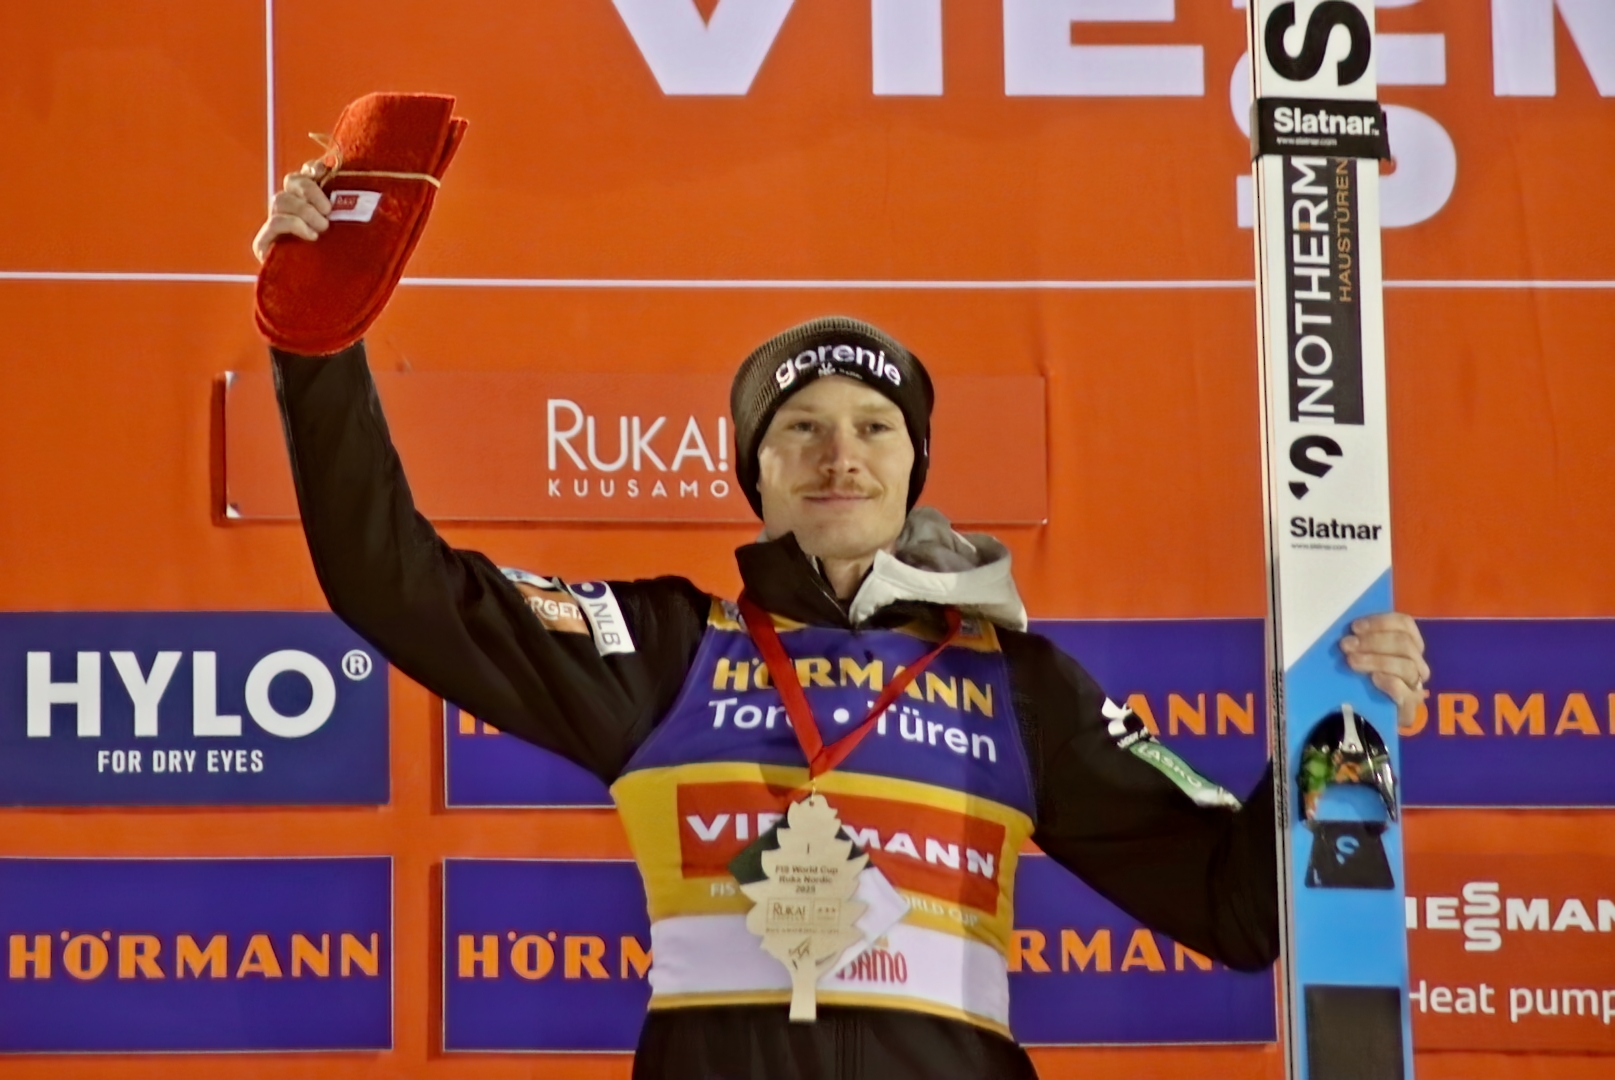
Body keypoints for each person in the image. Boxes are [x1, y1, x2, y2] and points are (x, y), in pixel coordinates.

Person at [255, 166, 1429, 1080]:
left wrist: (1338, 731)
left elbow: (1234, 906)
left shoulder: (1019, 684)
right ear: (752, 473)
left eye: (875, 426)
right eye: (800, 427)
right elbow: (393, 582)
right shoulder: (664, 651)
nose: (840, 455)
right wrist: (319, 346)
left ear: (916, 467)